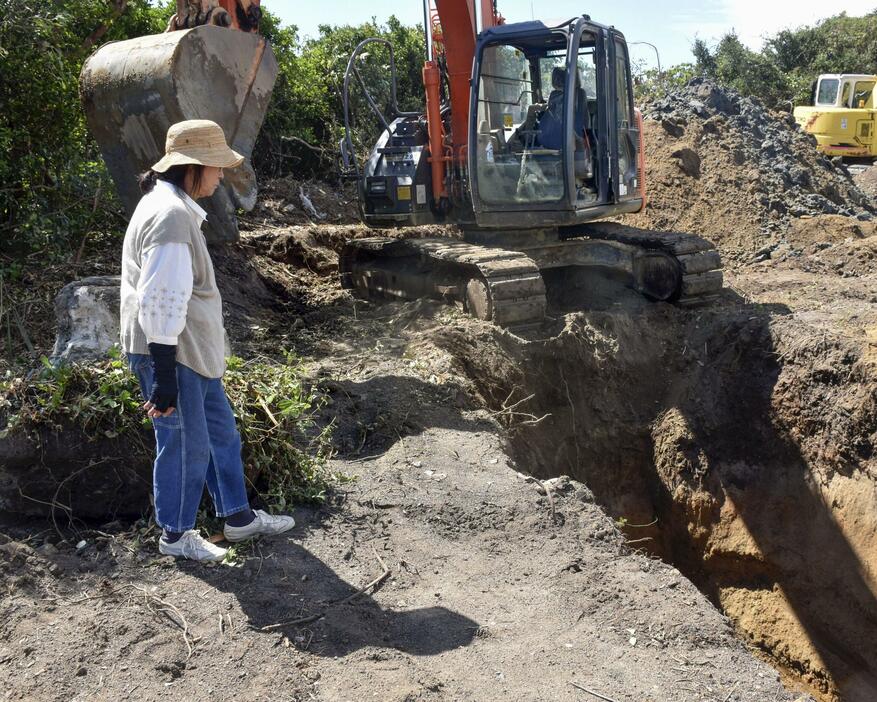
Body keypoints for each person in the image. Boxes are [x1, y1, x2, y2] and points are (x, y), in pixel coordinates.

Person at [120, 119, 294, 562]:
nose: (220, 176)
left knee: (220, 433)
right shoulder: (171, 217)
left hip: (191, 352)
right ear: (192, 166)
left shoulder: (170, 205)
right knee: (184, 443)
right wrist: (163, 377)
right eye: (215, 167)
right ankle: (176, 537)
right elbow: (160, 299)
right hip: (172, 352)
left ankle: (237, 518)